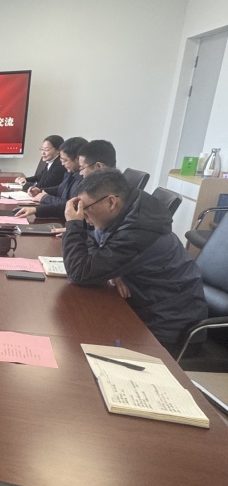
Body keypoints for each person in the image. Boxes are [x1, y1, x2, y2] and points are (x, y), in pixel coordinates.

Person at [62, 168, 207, 354]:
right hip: (145, 307)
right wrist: (114, 268)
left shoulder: (138, 231)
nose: (82, 215)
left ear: (111, 202)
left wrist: (73, 226)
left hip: (168, 326)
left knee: (80, 344)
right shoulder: (128, 211)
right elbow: (93, 241)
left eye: (86, 208)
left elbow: (79, 273)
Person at [16, 137, 88, 219]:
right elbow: (60, 189)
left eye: (65, 160)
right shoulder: (71, 172)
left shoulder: (84, 178)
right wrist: (40, 191)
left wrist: (45, 198)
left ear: (78, 159)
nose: (62, 164)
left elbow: (71, 205)